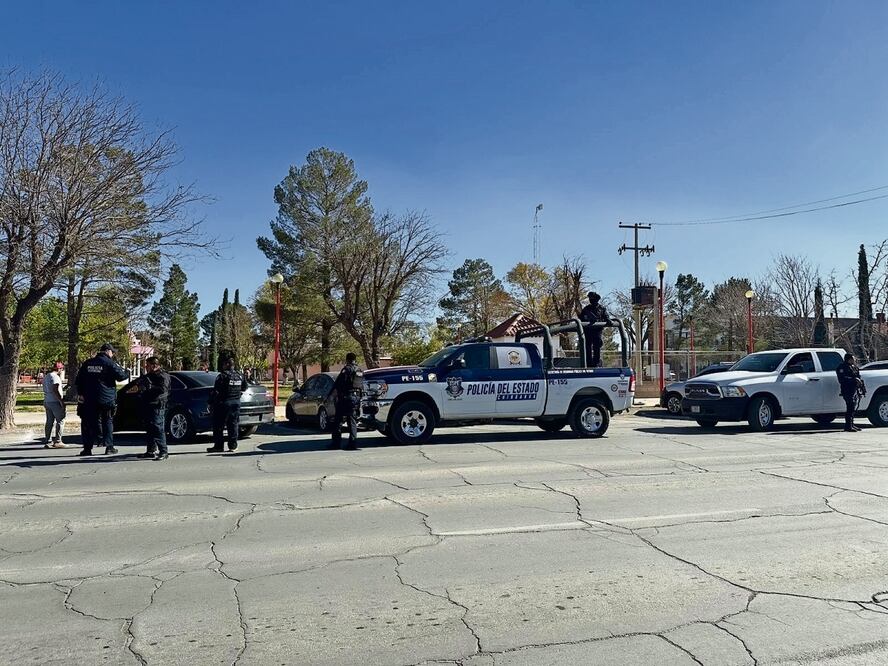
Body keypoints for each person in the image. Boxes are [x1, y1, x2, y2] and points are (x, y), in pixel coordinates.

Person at [74, 343, 130, 456]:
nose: (113, 354)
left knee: (88, 423)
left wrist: (81, 394)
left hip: (89, 399)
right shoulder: (109, 363)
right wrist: (127, 372)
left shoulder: (88, 363)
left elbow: (78, 380)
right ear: (108, 351)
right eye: (112, 352)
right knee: (107, 422)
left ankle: (87, 449)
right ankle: (109, 447)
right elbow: (121, 377)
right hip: (106, 399)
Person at [207, 356, 247, 453]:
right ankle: (233, 446)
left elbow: (216, 391)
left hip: (223, 403)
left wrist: (210, 402)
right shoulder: (240, 375)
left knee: (218, 425)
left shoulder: (222, 376)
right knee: (233, 424)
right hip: (236, 403)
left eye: (224, 364)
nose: (223, 366)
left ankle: (218, 446)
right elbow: (245, 387)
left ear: (227, 364)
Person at [137, 356, 171, 461]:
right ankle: (151, 450)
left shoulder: (163, 376)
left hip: (158, 405)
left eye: (147, 365)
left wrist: (150, 387)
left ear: (154, 365)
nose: (146, 367)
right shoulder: (149, 376)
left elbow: (163, 389)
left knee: (158, 428)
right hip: (149, 404)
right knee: (150, 428)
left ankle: (163, 451)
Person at [327, 352, 362, 450]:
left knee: (338, 421)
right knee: (352, 421)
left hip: (345, 398)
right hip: (356, 398)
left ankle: (336, 443)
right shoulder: (359, 370)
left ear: (347, 359)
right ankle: (352, 443)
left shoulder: (346, 369)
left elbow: (338, 384)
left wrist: (332, 395)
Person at [42, 361, 70, 449]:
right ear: (59, 369)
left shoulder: (46, 376)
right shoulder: (55, 377)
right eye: (62, 369)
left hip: (47, 400)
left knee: (49, 421)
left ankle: (48, 440)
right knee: (60, 420)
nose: (62, 370)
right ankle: (58, 441)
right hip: (55, 401)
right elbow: (55, 389)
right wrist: (61, 401)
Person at [579, 292, 610, 368]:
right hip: (588, 331)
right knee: (588, 347)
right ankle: (588, 363)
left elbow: (606, 317)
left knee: (597, 347)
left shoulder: (601, 309)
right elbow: (581, 318)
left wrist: (608, 320)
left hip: (597, 331)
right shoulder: (586, 309)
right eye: (590, 298)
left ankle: (596, 363)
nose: (591, 300)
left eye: (592, 298)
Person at [836, 353, 865, 432]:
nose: (854, 360)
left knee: (853, 408)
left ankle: (851, 424)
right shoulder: (842, 367)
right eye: (852, 359)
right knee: (850, 407)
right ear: (848, 359)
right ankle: (848, 426)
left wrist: (861, 386)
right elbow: (842, 379)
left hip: (854, 390)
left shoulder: (854, 367)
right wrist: (854, 379)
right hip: (847, 390)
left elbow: (858, 377)